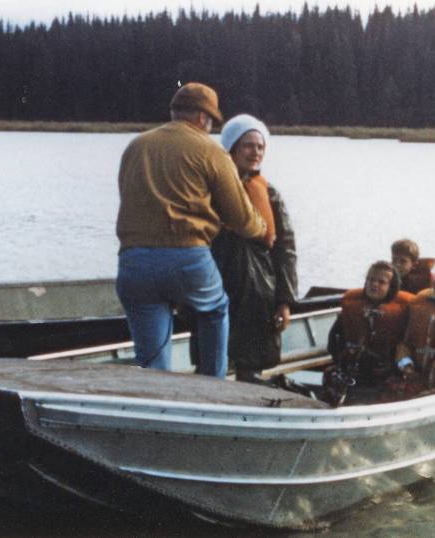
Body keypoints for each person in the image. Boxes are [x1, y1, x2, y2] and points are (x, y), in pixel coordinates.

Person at [115, 83, 266, 378]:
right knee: (215, 309)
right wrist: (261, 229)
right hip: (187, 258)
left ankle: (156, 403)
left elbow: (128, 196)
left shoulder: (136, 146)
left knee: (152, 361)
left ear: (174, 112)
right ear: (201, 117)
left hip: (134, 262)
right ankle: (212, 385)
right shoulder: (211, 151)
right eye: (210, 122)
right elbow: (241, 218)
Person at [191, 113, 298, 382]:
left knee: (251, 366)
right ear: (232, 148)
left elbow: (285, 250)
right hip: (217, 282)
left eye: (260, 146)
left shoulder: (270, 194)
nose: (255, 152)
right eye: (248, 145)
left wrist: (285, 301)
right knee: (208, 363)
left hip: (260, 290)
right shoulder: (208, 189)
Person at [325, 261, 414, 399]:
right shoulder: (353, 306)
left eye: (381, 282)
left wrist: (394, 368)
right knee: (330, 375)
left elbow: (409, 345)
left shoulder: (403, 310)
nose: (374, 284)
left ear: (391, 287)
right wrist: (341, 361)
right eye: (370, 280)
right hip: (356, 369)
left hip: (387, 371)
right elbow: (334, 339)